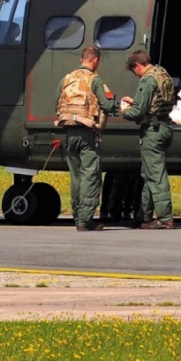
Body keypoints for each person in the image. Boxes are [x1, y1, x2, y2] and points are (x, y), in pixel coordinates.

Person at [54, 46, 118, 231]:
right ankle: (85, 221)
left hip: (68, 133)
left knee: (76, 177)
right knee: (90, 176)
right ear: (95, 61)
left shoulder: (66, 79)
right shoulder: (95, 80)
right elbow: (107, 103)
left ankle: (77, 216)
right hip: (88, 134)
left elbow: (55, 101)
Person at [120, 50, 177, 229]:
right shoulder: (162, 74)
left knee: (156, 176)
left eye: (134, 71)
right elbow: (154, 102)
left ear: (138, 66)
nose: (136, 75)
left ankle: (165, 217)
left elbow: (138, 112)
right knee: (149, 175)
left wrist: (124, 111)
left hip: (152, 131)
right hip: (164, 127)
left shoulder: (147, 80)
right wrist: (135, 101)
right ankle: (143, 216)